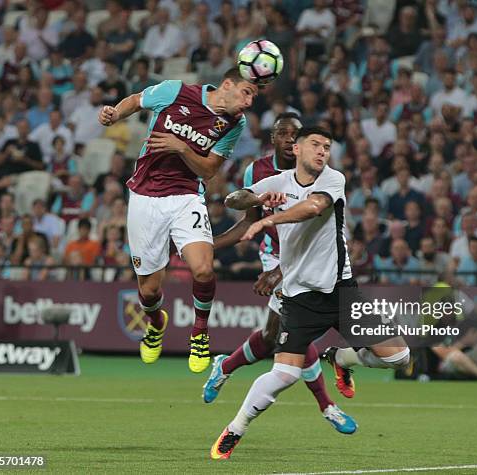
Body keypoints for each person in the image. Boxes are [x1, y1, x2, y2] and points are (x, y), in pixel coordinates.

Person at [209, 127, 409, 459]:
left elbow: (313, 208)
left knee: (399, 358)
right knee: (284, 375)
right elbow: (234, 199)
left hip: (342, 292)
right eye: (315, 145)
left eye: (327, 146)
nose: (322, 151)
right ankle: (234, 429)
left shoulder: (333, 180)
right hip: (300, 298)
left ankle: (339, 357)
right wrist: (258, 200)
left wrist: (268, 221)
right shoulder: (278, 182)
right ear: (297, 148)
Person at [98, 67, 258, 372]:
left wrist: (181, 147)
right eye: (246, 93)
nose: (249, 102)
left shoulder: (234, 123)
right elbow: (136, 100)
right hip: (145, 196)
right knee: (148, 292)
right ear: (227, 84)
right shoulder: (176, 91)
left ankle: (199, 332)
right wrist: (115, 114)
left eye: (253, 95)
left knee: (203, 269)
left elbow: (209, 170)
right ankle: (156, 324)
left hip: (186, 195)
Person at [203, 115, 354, 435]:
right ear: (273, 139)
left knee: (279, 336)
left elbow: (314, 218)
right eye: (282, 133)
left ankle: (225, 366)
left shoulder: (324, 177)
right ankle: (327, 404)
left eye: (294, 133)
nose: (288, 138)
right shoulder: (259, 171)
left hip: (305, 261)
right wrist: (211, 245)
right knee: (292, 334)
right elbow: (246, 216)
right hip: (275, 254)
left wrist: (281, 272)